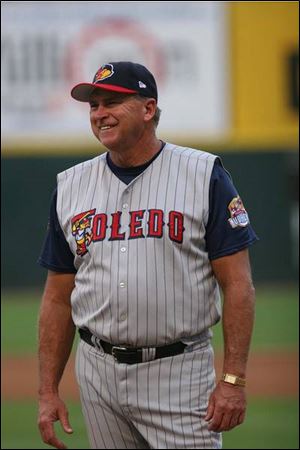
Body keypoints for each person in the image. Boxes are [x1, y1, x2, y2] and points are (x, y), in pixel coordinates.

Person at [37, 61, 258, 450]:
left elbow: (238, 284)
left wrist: (233, 380)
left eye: (112, 102)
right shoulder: (70, 185)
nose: (100, 114)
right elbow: (57, 296)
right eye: (94, 105)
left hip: (178, 372)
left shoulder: (203, 174)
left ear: (148, 109)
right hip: (97, 371)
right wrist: (47, 391)